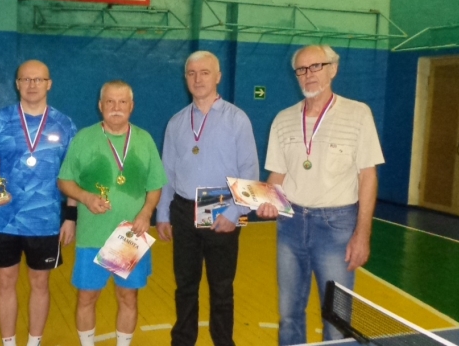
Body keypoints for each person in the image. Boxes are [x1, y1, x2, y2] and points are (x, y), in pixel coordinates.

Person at [257, 45, 384, 345]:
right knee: (289, 315)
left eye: (316, 66)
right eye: (302, 69)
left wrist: (362, 234)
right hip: (290, 225)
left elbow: (368, 176)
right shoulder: (283, 119)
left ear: (333, 69)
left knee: (337, 320)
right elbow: (277, 175)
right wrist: (265, 200)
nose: (309, 74)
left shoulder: (358, 114)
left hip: (336, 227)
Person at [156, 50, 259, 346]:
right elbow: (167, 171)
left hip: (223, 206)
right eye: (191, 73)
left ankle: (224, 342)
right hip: (183, 209)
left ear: (218, 77)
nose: (198, 79)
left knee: (222, 287)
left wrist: (235, 212)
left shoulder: (237, 119)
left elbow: (250, 171)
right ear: (185, 78)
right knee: (185, 285)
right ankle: (183, 341)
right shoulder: (176, 122)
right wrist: (163, 214)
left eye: (204, 72)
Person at [58, 80, 167, 346]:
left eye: (122, 102)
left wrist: (146, 213)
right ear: (100, 105)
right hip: (93, 235)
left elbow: (155, 186)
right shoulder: (84, 138)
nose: (116, 107)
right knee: (87, 297)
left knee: (128, 297)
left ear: (131, 106)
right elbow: (65, 181)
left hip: (130, 235)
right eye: (110, 102)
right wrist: (85, 197)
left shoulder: (144, 139)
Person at [0, 60, 78, 346]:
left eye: (38, 80)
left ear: (49, 84)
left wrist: (70, 216)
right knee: (5, 282)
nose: (32, 85)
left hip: (45, 220)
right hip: (4, 219)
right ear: (17, 84)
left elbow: (72, 174)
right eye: (25, 79)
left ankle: (33, 343)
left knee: (40, 284)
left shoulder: (65, 124)